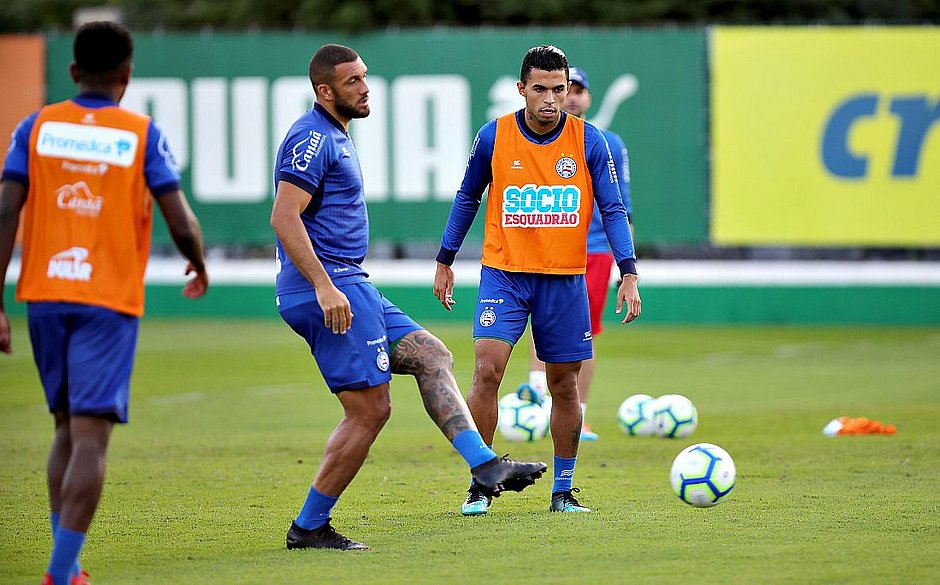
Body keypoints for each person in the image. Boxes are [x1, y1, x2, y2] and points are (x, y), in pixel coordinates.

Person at [270, 43, 546, 551]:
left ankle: (485, 467)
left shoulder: (335, 135)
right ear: (324, 90)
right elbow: (284, 217)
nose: (365, 86)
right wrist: (324, 286)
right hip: (330, 289)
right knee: (370, 411)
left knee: (430, 355)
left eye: (365, 77)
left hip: (353, 284)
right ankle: (308, 527)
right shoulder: (311, 137)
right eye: (352, 81)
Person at [0, 21, 208, 585]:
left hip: (44, 295)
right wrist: (198, 258)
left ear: (72, 72)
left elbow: (6, 211)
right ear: (127, 75)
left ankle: (65, 567)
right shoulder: (140, 134)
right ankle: (61, 572)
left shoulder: (36, 127)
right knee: (91, 437)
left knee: (65, 430)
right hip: (105, 299)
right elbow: (178, 216)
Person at [433, 45, 641, 517]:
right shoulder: (493, 136)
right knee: (487, 371)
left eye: (559, 89)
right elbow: (468, 196)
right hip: (504, 274)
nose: (551, 99)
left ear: (568, 89)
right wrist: (445, 259)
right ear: (521, 88)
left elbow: (613, 209)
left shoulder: (592, 142)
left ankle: (563, 491)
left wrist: (628, 271)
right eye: (541, 89)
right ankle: (481, 482)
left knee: (563, 386)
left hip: (565, 279)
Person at [523, 65, 634, 442]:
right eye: (566, 88)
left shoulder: (607, 142)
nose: (570, 96)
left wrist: (628, 266)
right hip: (549, 247)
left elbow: (621, 207)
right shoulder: (533, 138)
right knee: (542, 321)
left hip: (594, 250)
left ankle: (578, 415)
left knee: (584, 334)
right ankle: (537, 394)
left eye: (578, 90)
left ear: (587, 97)